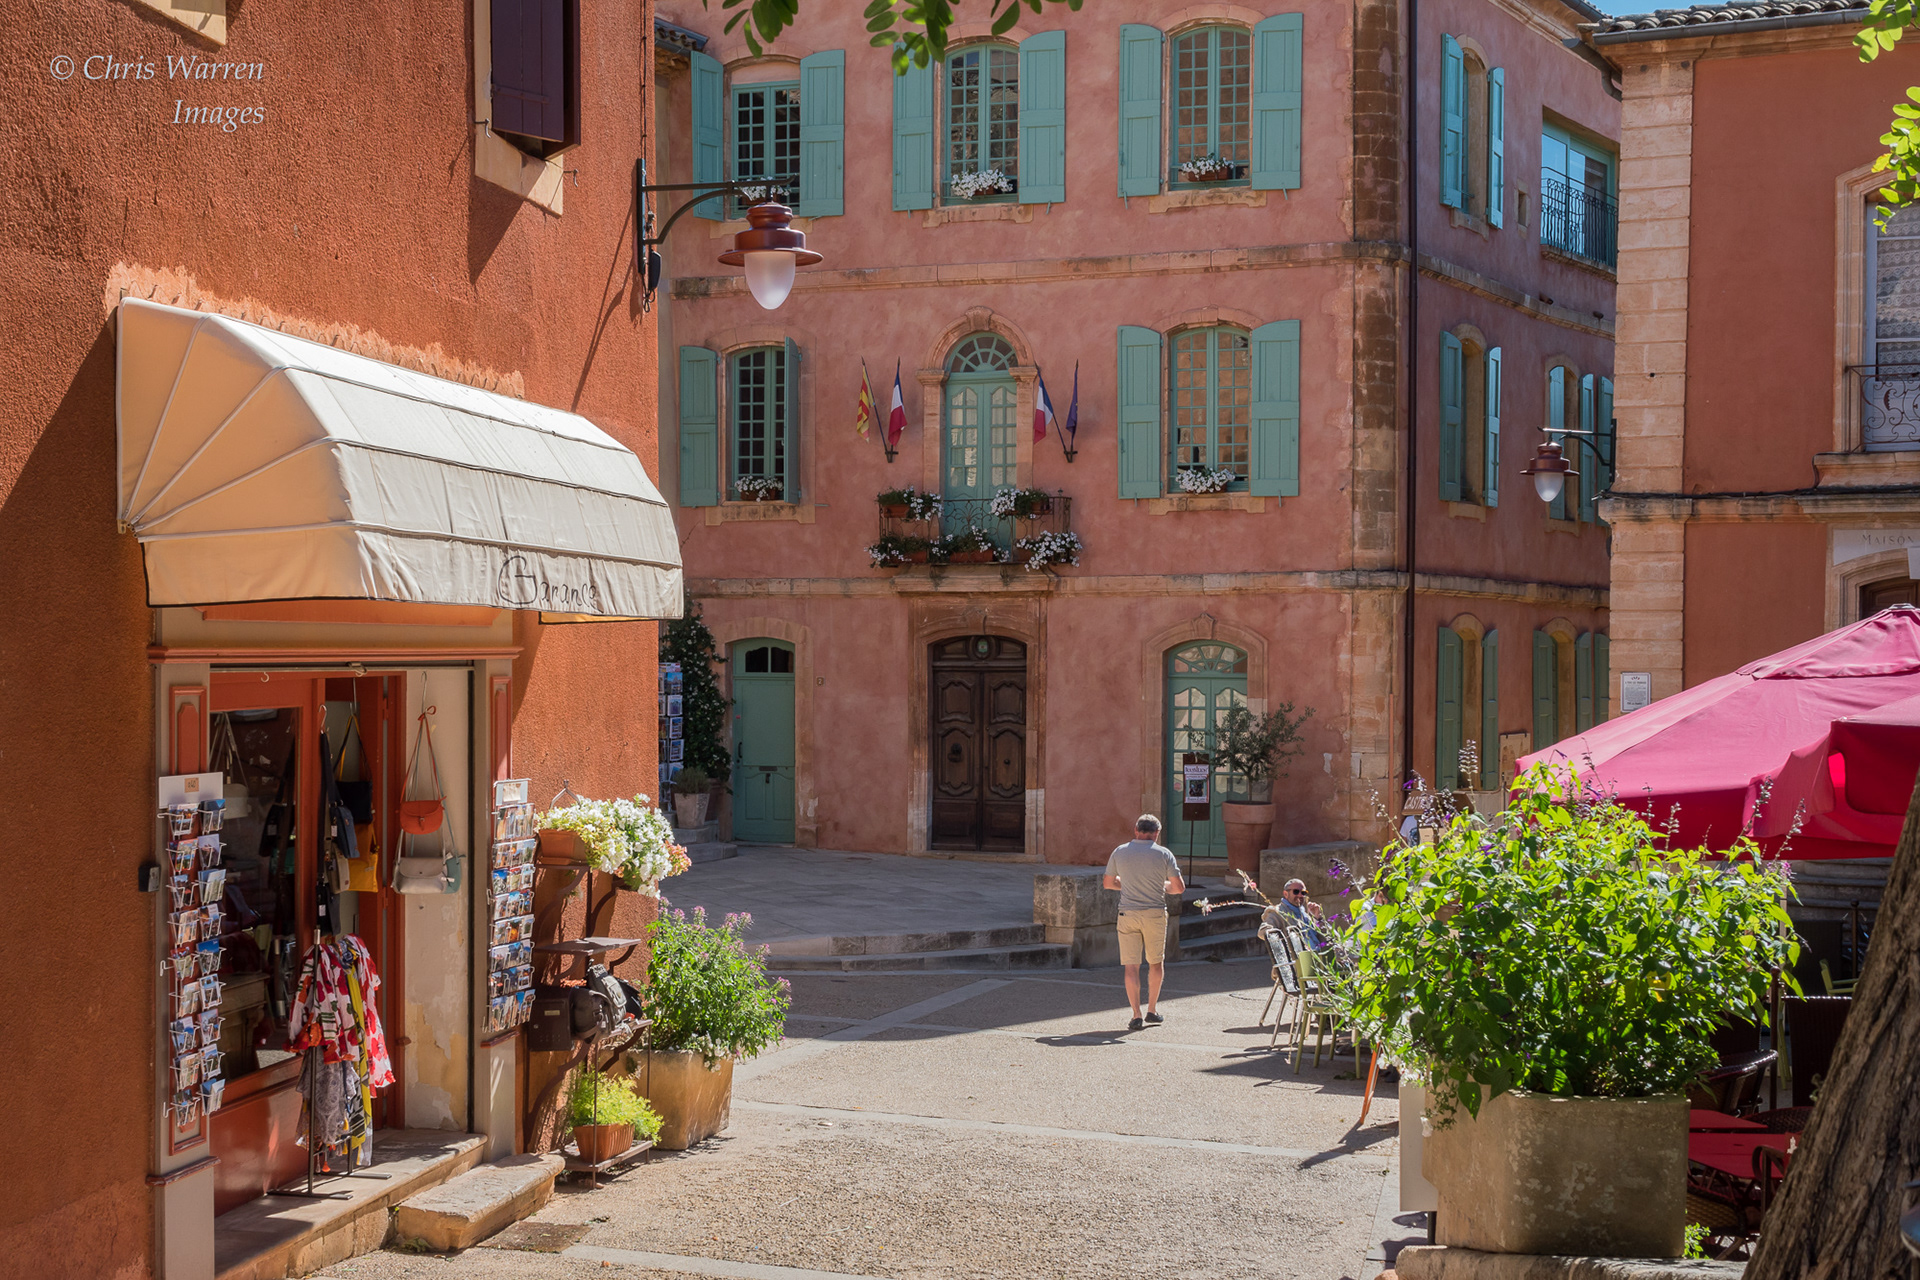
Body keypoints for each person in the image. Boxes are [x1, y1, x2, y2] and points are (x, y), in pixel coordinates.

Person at [1103, 814, 1185, 1030]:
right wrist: (1160, 886)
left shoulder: (1120, 851)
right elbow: (1178, 888)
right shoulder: (1164, 854)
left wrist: (1130, 884)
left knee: (1131, 966)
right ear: (1157, 833)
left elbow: (1108, 883)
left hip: (1127, 914)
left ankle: (1136, 1014)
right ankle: (1152, 1010)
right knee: (1156, 963)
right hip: (1154, 914)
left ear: (1136, 830)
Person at [1265, 878, 1330, 951]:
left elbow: (1329, 937)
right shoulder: (1278, 912)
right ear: (1286, 894)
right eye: (1296, 891)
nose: (1300, 895)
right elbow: (1264, 931)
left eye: (1303, 892)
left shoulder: (1304, 914)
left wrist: (1318, 918)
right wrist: (1285, 941)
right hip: (1301, 957)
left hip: (1319, 954)